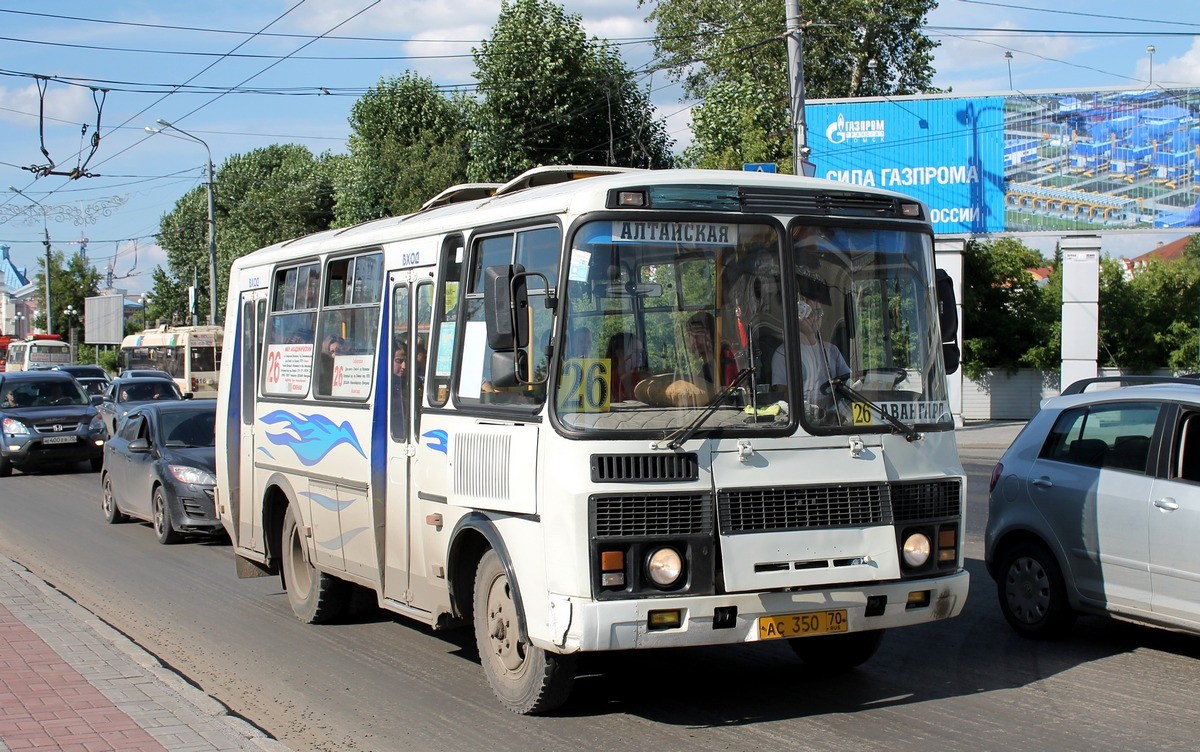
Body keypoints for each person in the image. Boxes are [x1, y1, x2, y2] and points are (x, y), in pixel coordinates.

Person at [771, 294, 850, 414]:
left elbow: (848, 384)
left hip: (835, 417)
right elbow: (783, 396)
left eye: (819, 313)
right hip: (803, 421)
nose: (815, 318)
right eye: (810, 314)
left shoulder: (832, 351)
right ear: (798, 315)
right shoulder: (783, 354)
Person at [686, 312, 738, 388]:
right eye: (691, 335)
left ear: (712, 335)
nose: (694, 340)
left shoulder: (716, 367)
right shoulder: (710, 367)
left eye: (700, 334)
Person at [605, 332, 645, 403]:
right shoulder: (607, 379)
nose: (640, 356)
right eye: (635, 351)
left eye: (641, 352)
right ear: (619, 353)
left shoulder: (641, 378)